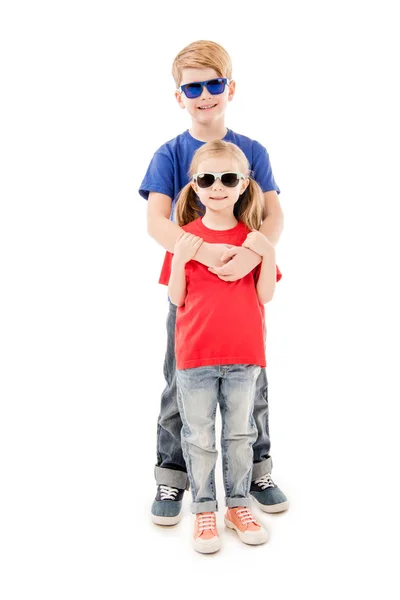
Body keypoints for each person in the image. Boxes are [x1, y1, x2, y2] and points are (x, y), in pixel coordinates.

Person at [139, 40, 288, 526]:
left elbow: (274, 214)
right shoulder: (170, 153)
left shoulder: (254, 151)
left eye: (214, 83)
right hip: (191, 293)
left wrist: (250, 255)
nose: (205, 94)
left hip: (243, 295)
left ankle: (255, 472)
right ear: (178, 95)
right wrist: (201, 251)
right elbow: (157, 222)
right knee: (179, 384)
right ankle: (173, 473)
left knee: (252, 383)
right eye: (193, 86)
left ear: (231, 88)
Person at [159, 140, 280, 553]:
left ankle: (239, 504)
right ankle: (204, 509)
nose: (217, 187)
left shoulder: (252, 239)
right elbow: (177, 299)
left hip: (245, 356)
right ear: (193, 186)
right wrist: (179, 259)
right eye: (206, 179)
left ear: (244, 185)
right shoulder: (186, 239)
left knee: (241, 433)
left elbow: (265, 297)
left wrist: (266, 251)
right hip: (194, 357)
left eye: (228, 179)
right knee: (199, 436)